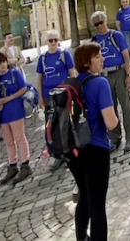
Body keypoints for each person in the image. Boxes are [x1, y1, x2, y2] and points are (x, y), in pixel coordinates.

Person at [67, 42, 119, 241]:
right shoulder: (100, 83)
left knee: (85, 197)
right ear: (87, 62)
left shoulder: (73, 83)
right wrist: (116, 122)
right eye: (98, 57)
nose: (102, 59)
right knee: (97, 205)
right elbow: (111, 122)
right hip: (96, 149)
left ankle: (81, 238)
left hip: (74, 150)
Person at [92, 11, 130, 152]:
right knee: (110, 108)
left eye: (101, 22)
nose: (99, 26)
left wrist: (128, 73)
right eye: (96, 24)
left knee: (127, 105)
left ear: (106, 21)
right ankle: (115, 137)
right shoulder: (94, 41)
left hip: (120, 72)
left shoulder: (116, 35)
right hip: (104, 76)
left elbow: (125, 54)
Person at [0, 51, 33, 186]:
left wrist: (10, 98)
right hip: (2, 114)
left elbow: (23, 88)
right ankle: (12, 165)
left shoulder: (14, 73)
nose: (2, 65)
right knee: (8, 141)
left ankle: (25, 165)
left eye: (4, 62)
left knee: (19, 137)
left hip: (15, 110)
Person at [36, 29, 78, 170]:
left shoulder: (64, 54)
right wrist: (41, 97)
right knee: (51, 126)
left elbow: (72, 73)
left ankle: (68, 152)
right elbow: (40, 78)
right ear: (46, 42)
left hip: (63, 94)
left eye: (55, 40)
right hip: (49, 96)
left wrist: (74, 91)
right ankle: (57, 155)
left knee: (65, 124)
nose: (53, 42)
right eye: (50, 40)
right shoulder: (43, 58)